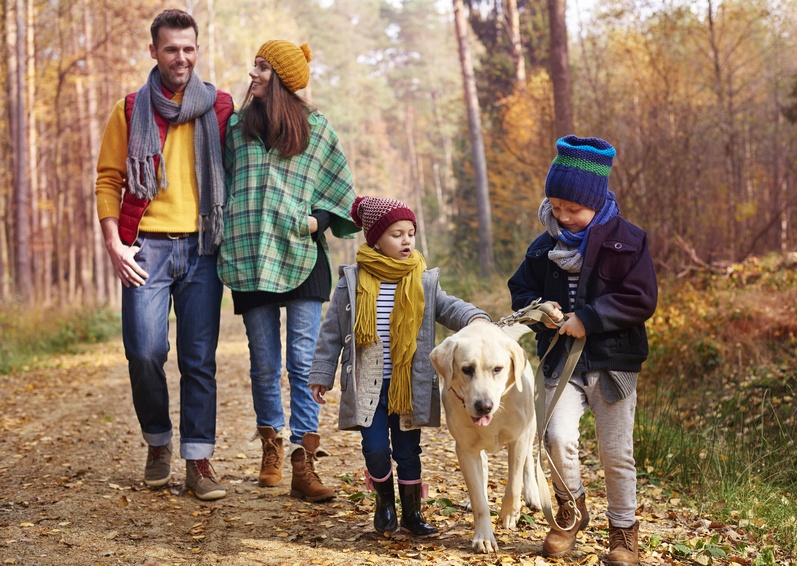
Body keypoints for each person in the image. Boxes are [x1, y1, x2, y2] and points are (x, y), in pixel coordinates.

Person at [94, 9, 234, 501]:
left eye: (189, 48)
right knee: (144, 351)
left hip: (202, 246)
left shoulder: (219, 107)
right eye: (172, 48)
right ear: (153, 51)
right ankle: (158, 443)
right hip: (145, 247)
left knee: (199, 359)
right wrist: (114, 242)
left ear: (198, 50)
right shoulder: (131, 108)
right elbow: (109, 179)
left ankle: (198, 461)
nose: (181, 57)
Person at [216, 39, 359, 500]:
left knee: (301, 361)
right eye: (254, 65)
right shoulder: (237, 126)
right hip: (250, 255)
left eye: (261, 67)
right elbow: (222, 182)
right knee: (264, 364)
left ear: (280, 77)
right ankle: (271, 443)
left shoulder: (315, 128)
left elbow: (341, 189)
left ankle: (303, 458)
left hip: (302, 255)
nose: (252, 73)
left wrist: (315, 220)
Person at [507, 135, 657, 565]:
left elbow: (641, 298)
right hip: (561, 362)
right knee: (556, 437)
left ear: (597, 202)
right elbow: (521, 290)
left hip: (613, 363)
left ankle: (623, 533)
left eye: (573, 209)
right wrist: (540, 309)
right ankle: (569, 511)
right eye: (556, 207)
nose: (563, 217)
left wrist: (587, 319)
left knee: (616, 454)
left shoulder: (630, 241)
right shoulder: (542, 247)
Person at [308, 196, 490, 536]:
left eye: (410, 233)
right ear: (375, 239)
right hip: (368, 383)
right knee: (375, 448)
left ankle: (411, 513)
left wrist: (477, 318)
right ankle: (385, 503)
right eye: (396, 234)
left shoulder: (422, 280)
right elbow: (331, 331)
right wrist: (321, 373)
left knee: (408, 451)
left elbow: (448, 308)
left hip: (409, 383)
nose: (406, 240)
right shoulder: (352, 280)